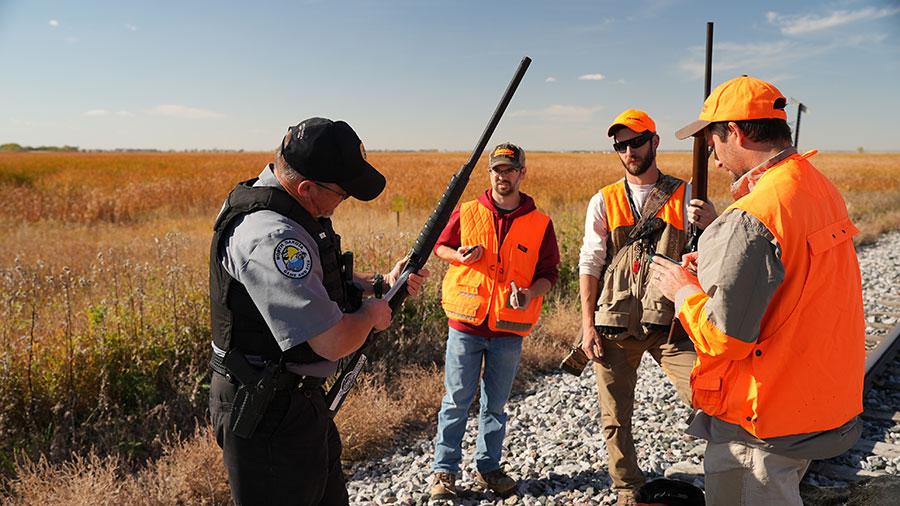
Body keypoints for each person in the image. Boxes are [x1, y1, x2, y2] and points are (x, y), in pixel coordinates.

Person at [651, 75, 864, 505]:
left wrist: (682, 289)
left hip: (760, 425)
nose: (713, 159)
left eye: (712, 141)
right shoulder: (817, 187)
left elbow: (724, 337)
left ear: (735, 131)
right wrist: (717, 259)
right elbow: (793, 284)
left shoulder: (754, 215)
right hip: (811, 401)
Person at [208, 117, 429, 506]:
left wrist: (380, 283)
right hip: (267, 414)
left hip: (297, 404)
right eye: (342, 193)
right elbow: (331, 341)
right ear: (306, 188)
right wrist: (371, 317)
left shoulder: (291, 211)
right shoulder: (273, 237)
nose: (343, 202)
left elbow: (314, 281)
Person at [578, 109, 717, 506]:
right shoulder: (603, 201)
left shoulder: (687, 193)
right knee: (615, 418)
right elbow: (590, 263)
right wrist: (587, 325)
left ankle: (732, 470)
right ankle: (627, 489)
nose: (628, 150)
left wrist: (711, 222)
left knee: (709, 395)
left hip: (670, 323)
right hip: (613, 324)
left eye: (636, 141)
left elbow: (712, 254)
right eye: (620, 145)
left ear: (654, 142)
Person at [429, 142, 560, 500]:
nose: (504, 176)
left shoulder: (540, 223)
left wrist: (531, 293)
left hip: (508, 329)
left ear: (522, 173)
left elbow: (550, 272)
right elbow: (440, 246)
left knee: (496, 405)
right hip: (466, 325)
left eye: (510, 170)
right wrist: (459, 255)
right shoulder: (468, 211)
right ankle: (445, 471)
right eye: (498, 170)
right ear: (490, 173)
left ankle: (489, 467)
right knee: (456, 400)